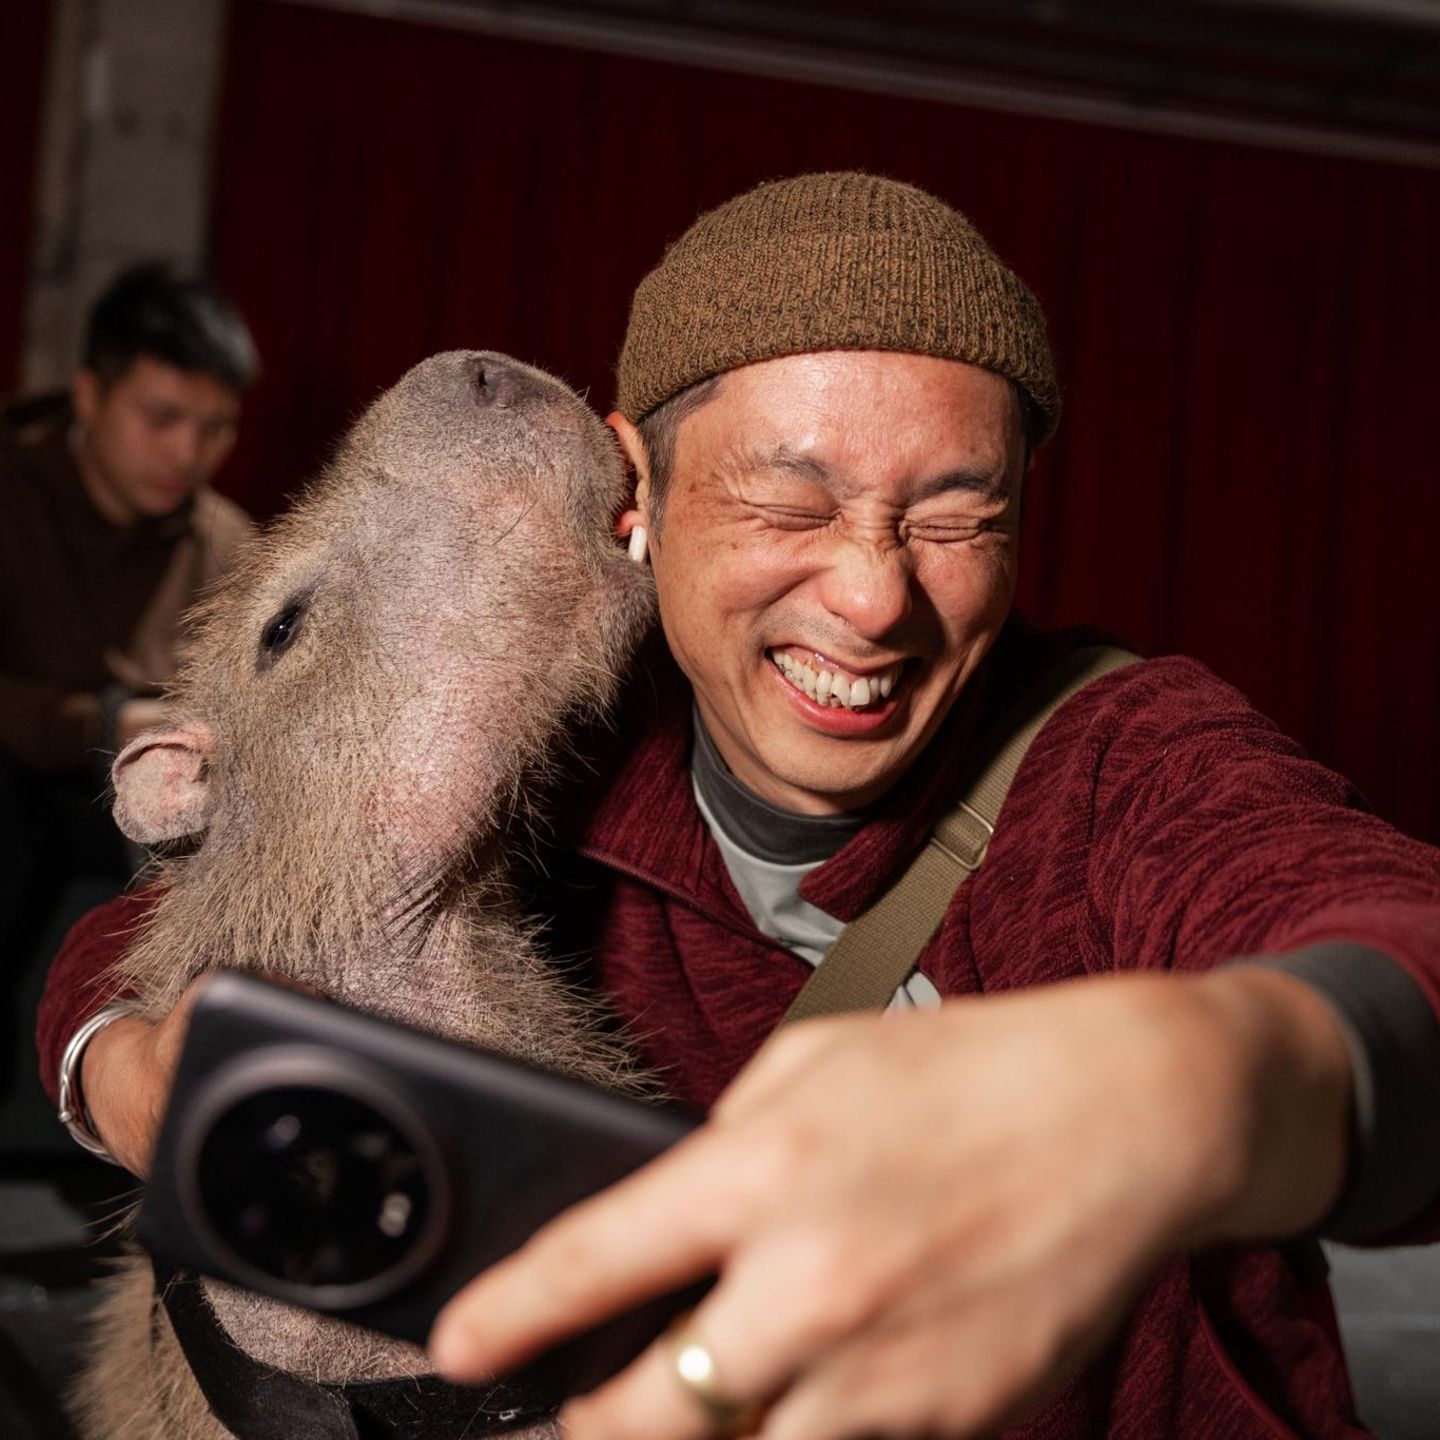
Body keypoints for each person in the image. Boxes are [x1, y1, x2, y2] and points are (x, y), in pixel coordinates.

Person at [35, 176, 1440, 1438]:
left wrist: (1198, 1076)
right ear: (634, 492)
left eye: (959, 517)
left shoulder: (1121, 759)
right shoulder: (575, 740)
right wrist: (114, 1057)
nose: (876, 596)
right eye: (789, 502)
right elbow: (237, 890)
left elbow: (1393, 946)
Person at [4, 263, 255, 1119]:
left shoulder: (228, 546)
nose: (187, 453)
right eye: (162, 419)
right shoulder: (12, 494)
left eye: (214, 428)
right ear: (87, 397)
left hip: (145, 805)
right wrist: (105, 720)